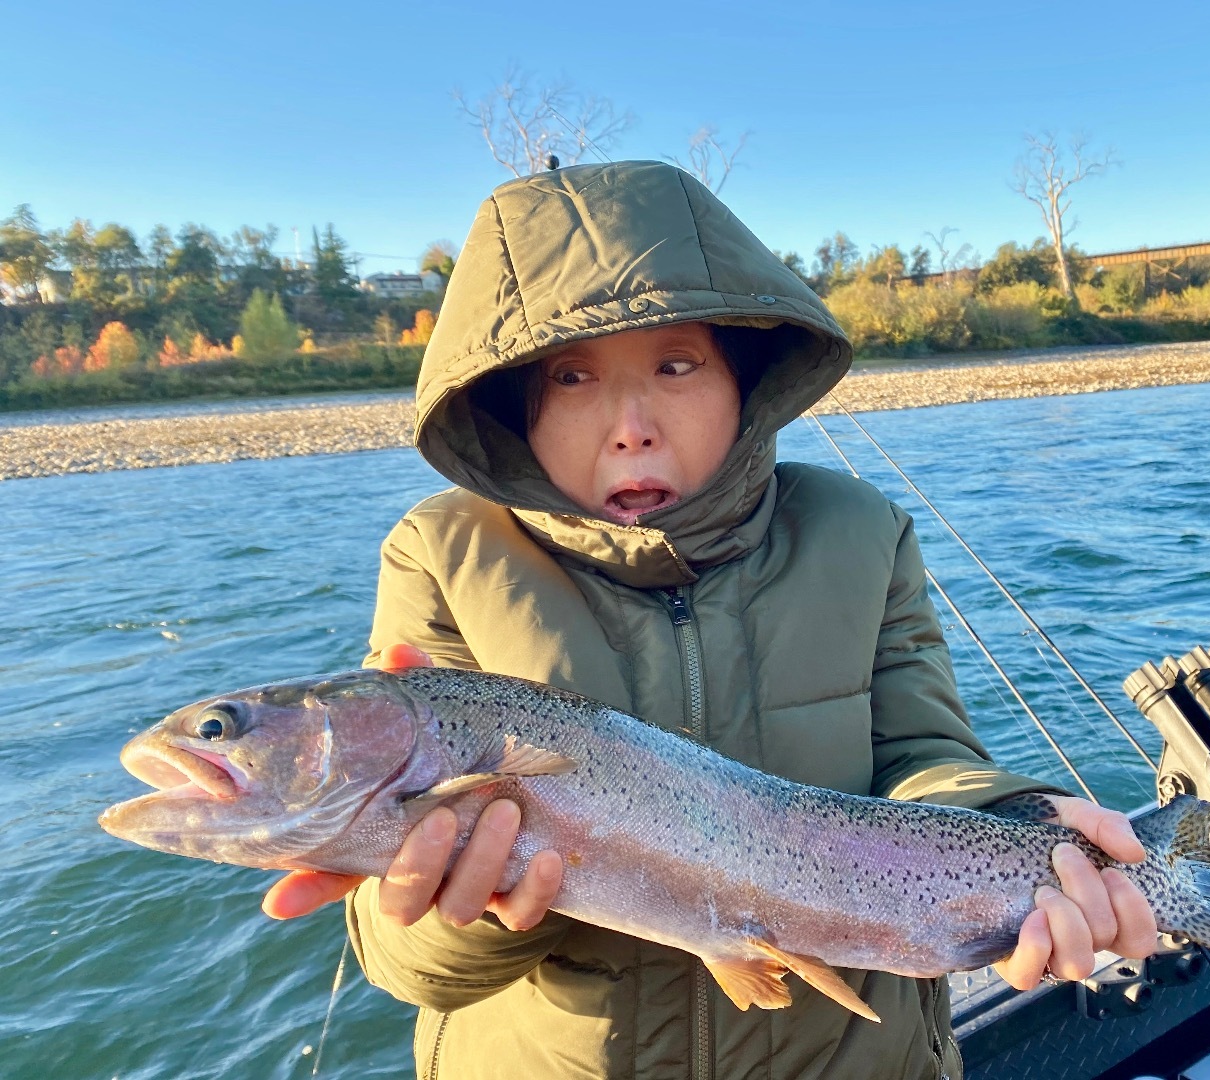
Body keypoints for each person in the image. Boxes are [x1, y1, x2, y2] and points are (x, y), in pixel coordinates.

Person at [262, 160, 1158, 1079]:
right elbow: (407, 964)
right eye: (571, 377)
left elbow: (924, 759)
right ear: (512, 409)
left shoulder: (861, 531)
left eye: (677, 364)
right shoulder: (442, 555)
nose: (630, 425)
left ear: (748, 379)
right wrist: (465, 916)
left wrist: (1013, 824)